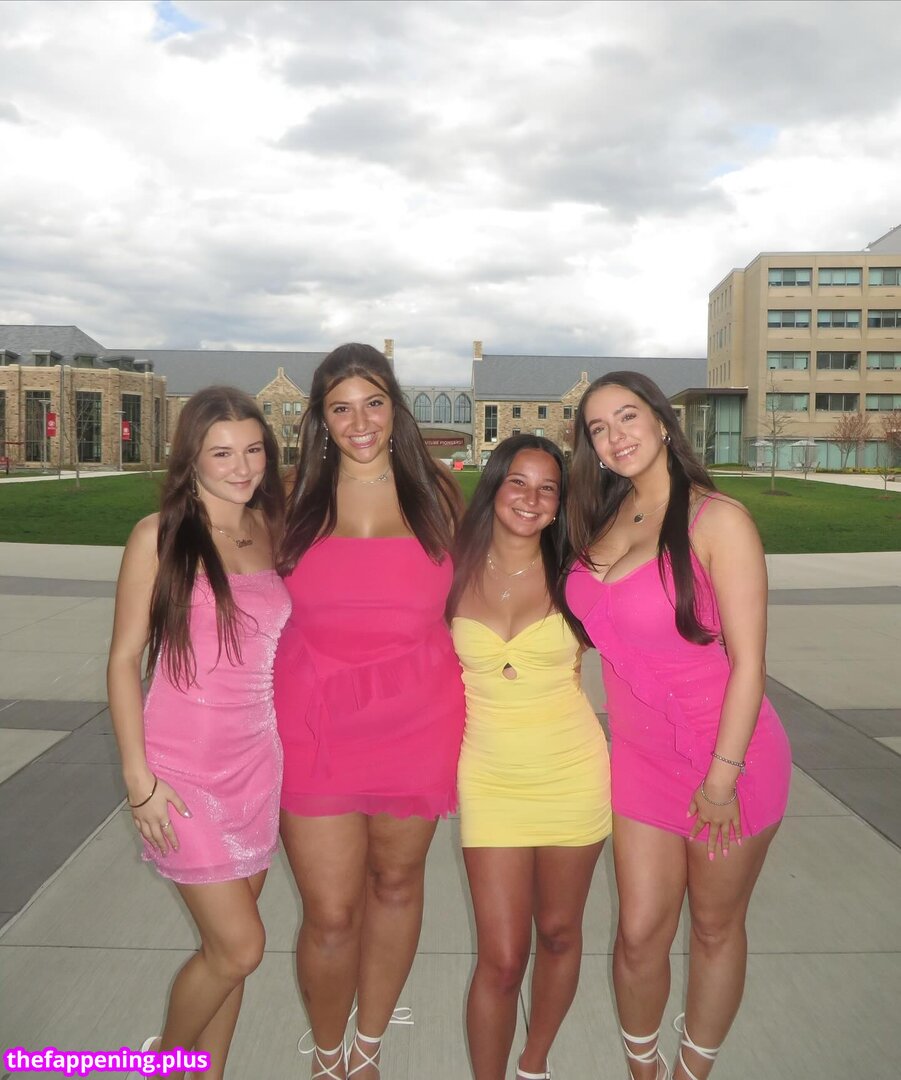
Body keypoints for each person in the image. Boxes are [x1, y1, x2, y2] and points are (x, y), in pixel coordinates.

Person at [563, 372, 791, 1080]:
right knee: (638, 935)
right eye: (598, 428)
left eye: (627, 417)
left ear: (663, 422)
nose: (615, 436)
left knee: (715, 927)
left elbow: (750, 664)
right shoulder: (601, 518)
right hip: (640, 759)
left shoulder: (717, 521)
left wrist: (721, 779)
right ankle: (644, 1068)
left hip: (728, 756)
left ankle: (692, 1070)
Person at [274, 343, 465, 1080]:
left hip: (418, 722)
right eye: (341, 408)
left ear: (396, 408)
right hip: (313, 726)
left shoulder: (438, 495)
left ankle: (366, 1048)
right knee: (329, 913)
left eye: (374, 402)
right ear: (320, 419)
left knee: (396, 885)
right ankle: (327, 1057)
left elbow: (488, 594)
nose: (360, 422)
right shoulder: (290, 497)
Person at [107, 386, 290, 1080]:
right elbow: (124, 659)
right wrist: (138, 781)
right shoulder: (158, 536)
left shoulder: (269, 529)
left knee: (226, 956)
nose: (242, 467)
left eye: (253, 450)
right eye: (222, 453)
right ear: (191, 459)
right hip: (180, 773)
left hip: (257, 764)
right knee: (241, 947)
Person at [448, 434, 612, 1080]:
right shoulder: (452, 568)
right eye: (518, 481)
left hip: (572, 774)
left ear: (560, 503)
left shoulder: (580, 574)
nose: (531, 498)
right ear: (494, 484)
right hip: (490, 780)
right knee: (501, 957)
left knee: (560, 933)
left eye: (548, 488)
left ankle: (534, 1063)